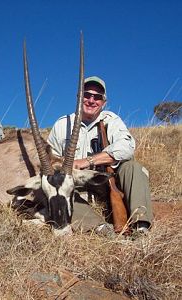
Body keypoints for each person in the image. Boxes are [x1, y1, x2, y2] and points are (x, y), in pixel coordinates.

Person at [47, 76, 153, 234]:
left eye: (97, 97)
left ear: (104, 102)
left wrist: (88, 161)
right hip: (76, 185)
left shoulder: (112, 121)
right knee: (57, 188)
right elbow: (50, 160)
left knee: (133, 168)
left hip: (107, 182)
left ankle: (141, 225)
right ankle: (100, 228)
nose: (91, 100)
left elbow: (127, 147)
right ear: (78, 97)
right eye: (87, 95)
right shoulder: (62, 124)